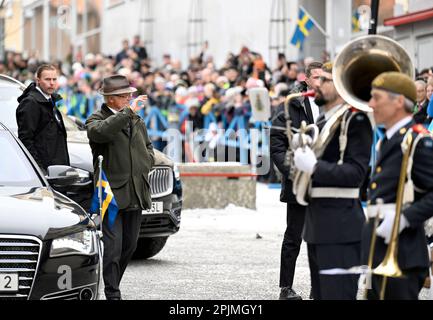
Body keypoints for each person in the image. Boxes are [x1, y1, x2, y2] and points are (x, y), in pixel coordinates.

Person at [293, 62, 373, 300]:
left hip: (341, 225)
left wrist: (315, 167)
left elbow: (356, 174)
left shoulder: (354, 121)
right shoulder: (320, 123)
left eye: (325, 80)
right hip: (317, 223)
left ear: (341, 87)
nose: (317, 85)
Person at [362, 72, 433, 300]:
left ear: (399, 102)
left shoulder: (417, 140)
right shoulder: (388, 139)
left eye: (377, 97)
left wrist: (404, 218)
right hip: (378, 251)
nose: (371, 104)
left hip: (403, 253)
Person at [86, 75, 155, 300]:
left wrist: (147, 161)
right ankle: (113, 293)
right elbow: (102, 132)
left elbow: (147, 146)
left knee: (129, 245)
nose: (129, 99)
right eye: (124, 96)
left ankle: (113, 284)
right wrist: (128, 112)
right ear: (110, 99)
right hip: (111, 194)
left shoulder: (134, 118)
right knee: (113, 248)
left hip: (135, 190)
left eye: (129, 95)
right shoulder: (96, 119)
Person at [270, 61, 323, 300]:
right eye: (317, 78)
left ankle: (318, 287)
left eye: (325, 78)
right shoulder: (291, 104)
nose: (321, 82)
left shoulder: (332, 105)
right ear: (307, 79)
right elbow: (277, 145)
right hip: (299, 181)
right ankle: (285, 288)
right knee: (294, 236)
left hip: (324, 181)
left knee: (321, 237)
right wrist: (293, 171)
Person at [16, 64, 69, 173]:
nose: (52, 83)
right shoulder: (31, 102)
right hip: (44, 171)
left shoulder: (50, 100)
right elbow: (26, 139)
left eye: (54, 79)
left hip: (57, 169)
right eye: (47, 79)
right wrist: (39, 170)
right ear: (38, 80)